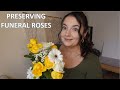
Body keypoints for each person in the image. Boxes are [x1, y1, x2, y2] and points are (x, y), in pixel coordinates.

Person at [57, 11, 103, 79]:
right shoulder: (51, 49)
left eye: (75, 29)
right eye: (64, 27)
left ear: (84, 34)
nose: (67, 34)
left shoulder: (92, 62)